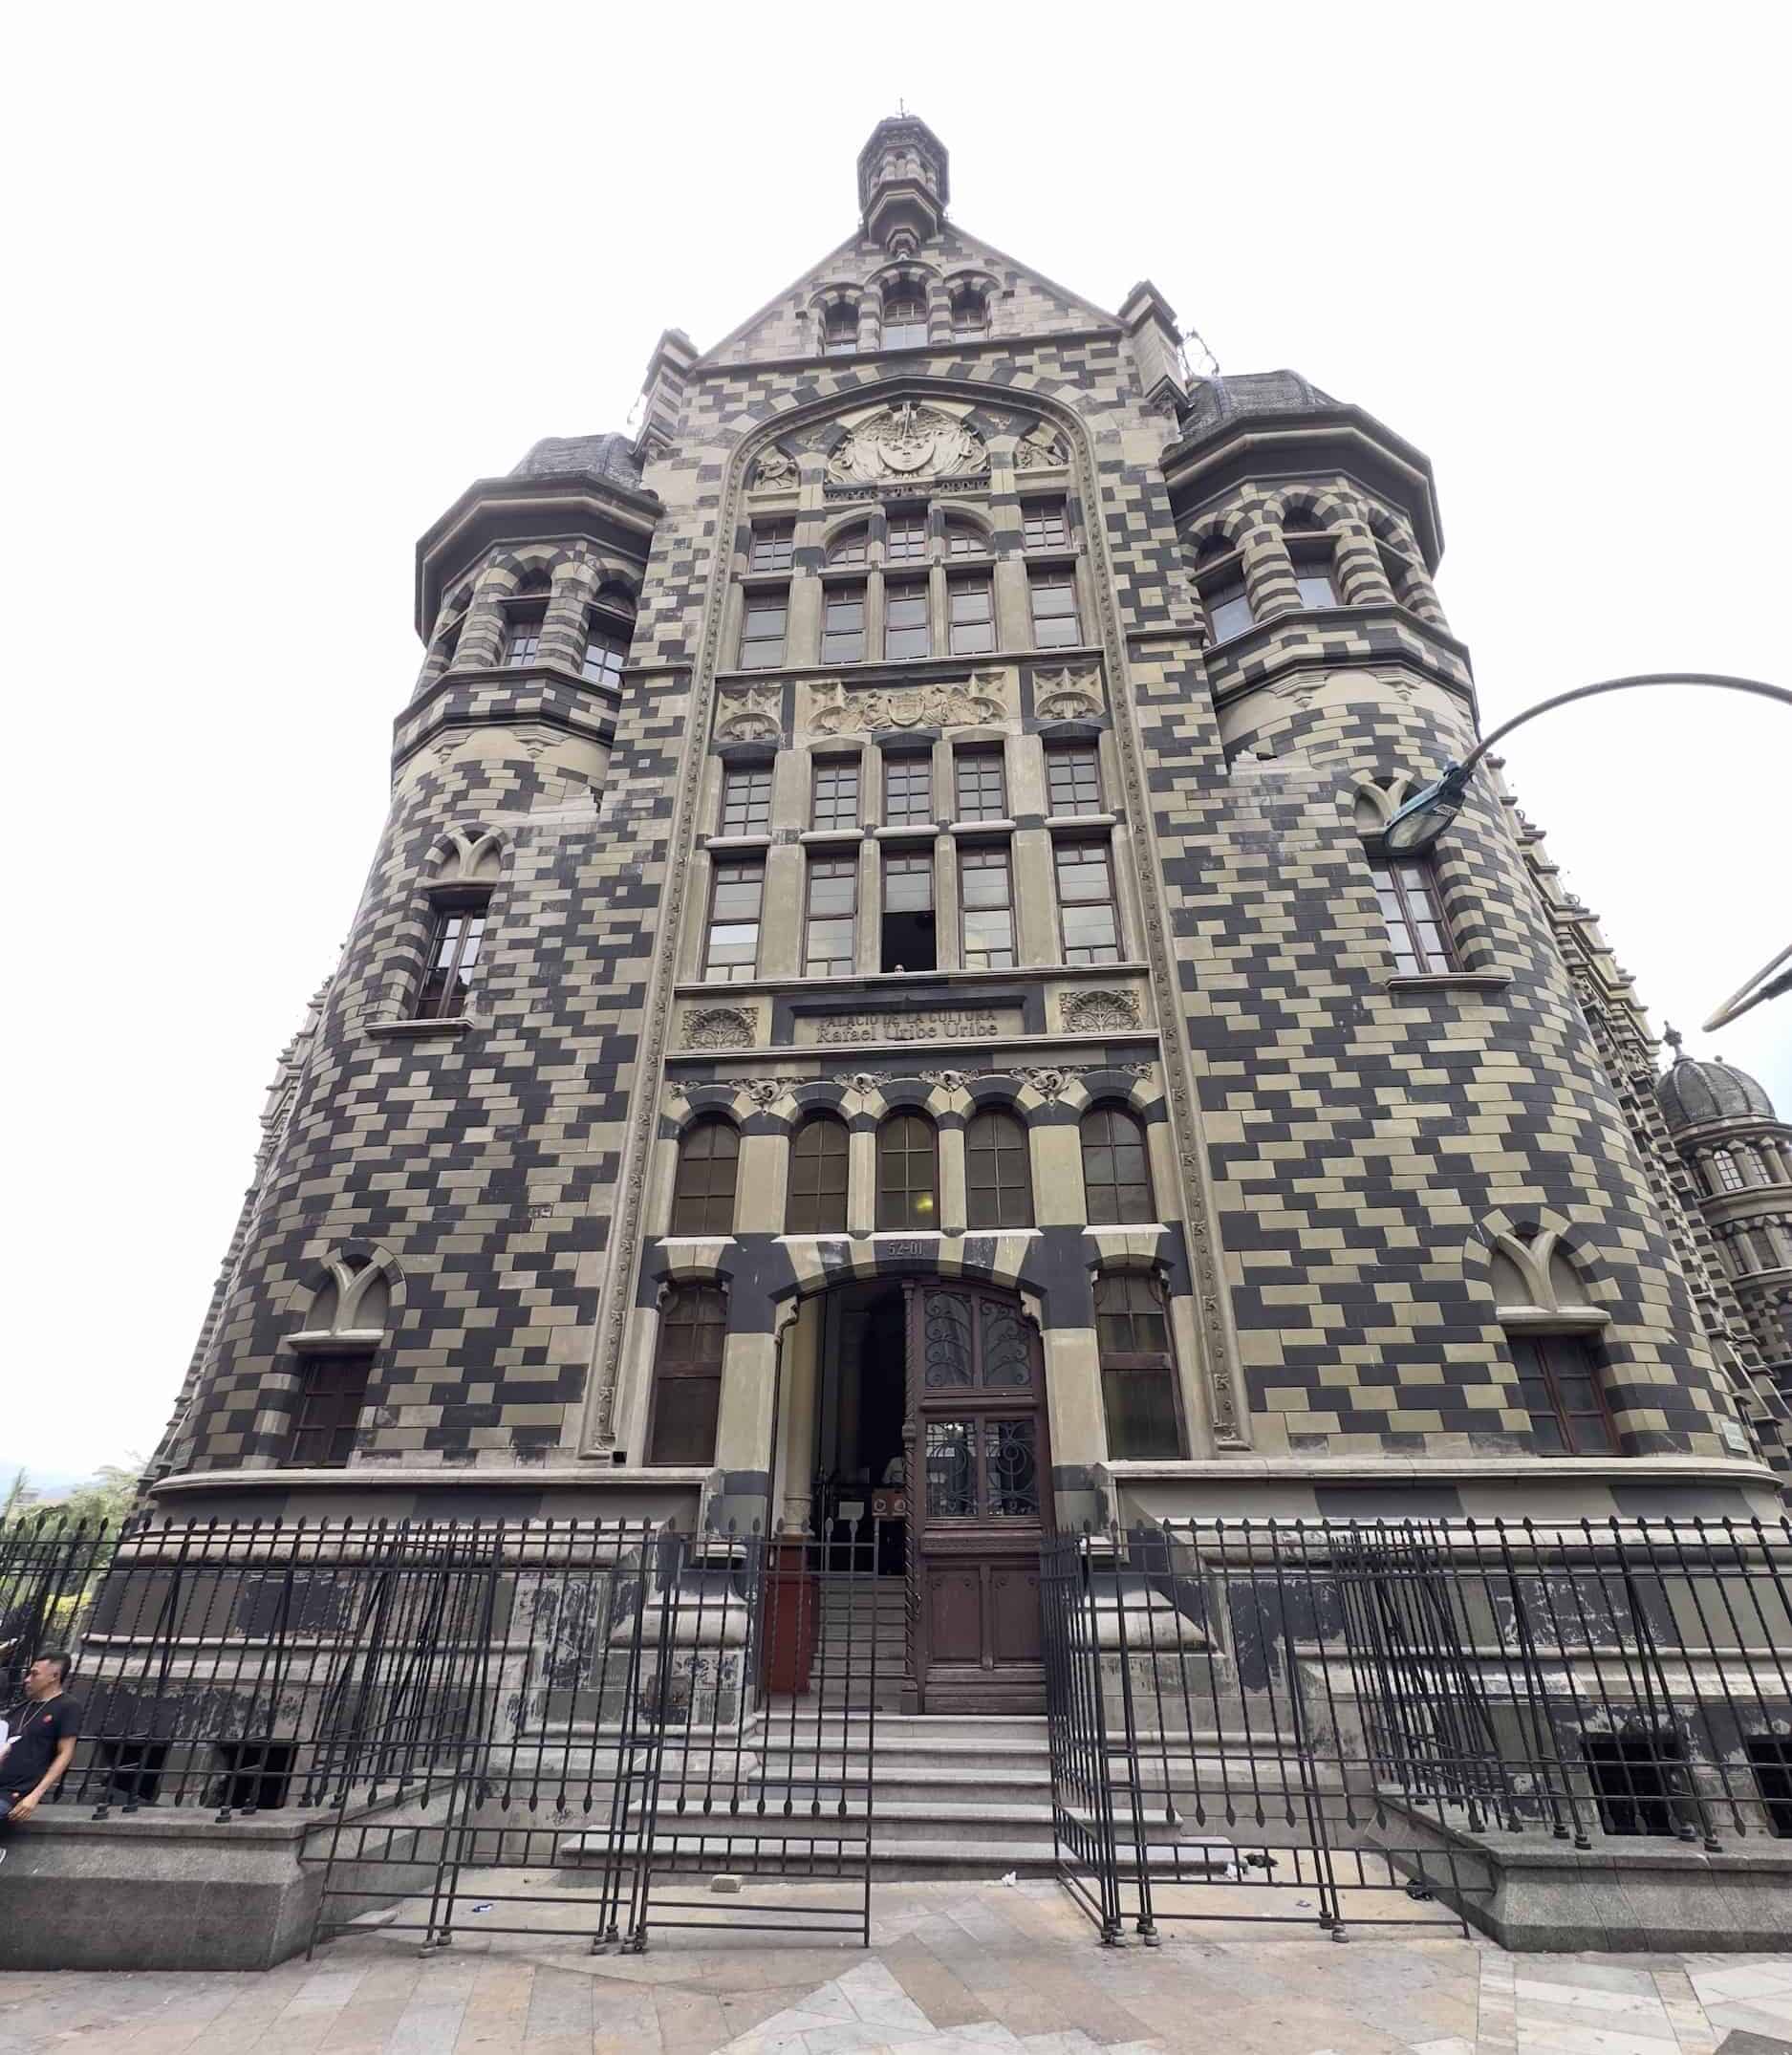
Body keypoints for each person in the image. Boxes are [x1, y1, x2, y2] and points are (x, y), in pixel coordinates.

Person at [0, 1652, 82, 1863]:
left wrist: (35, 1796)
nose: (27, 1679)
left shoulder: (67, 1707)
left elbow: (66, 1753)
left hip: (16, 1791)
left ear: (54, 1676)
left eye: (34, 1674)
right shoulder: (20, 1708)